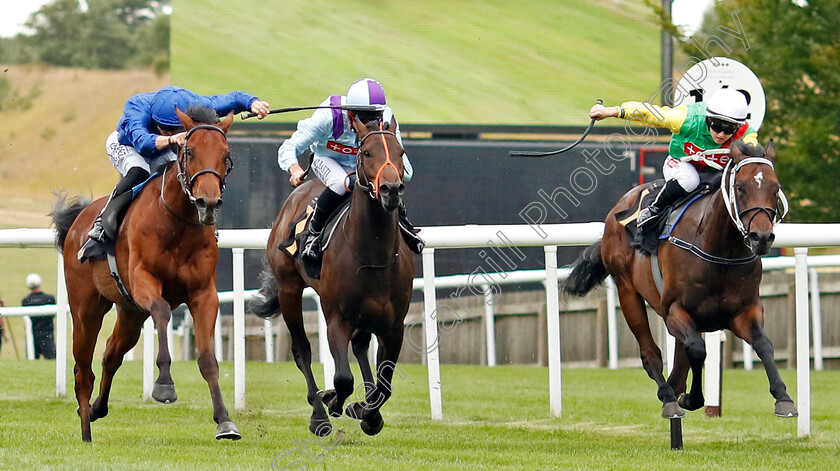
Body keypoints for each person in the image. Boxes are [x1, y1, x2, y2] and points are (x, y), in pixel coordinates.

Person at [78, 85, 271, 261]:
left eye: (174, 129)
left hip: (164, 148)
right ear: (154, 118)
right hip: (128, 145)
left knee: (180, 177)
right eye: (165, 129)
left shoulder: (197, 103)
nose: (169, 133)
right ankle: (100, 227)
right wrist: (171, 140)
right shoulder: (136, 107)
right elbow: (142, 142)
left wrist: (253, 103)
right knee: (138, 172)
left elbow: (235, 98)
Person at [276, 78, 423, 260]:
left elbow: (405, 168)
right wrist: (295, 169)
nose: (371, 122)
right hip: (327, 159)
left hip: (364, 163)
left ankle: (405, 227)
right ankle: (314, 234)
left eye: (375, 116)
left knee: (396, 179)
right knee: (341, 182)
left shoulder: (386, 118)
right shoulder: (328, 117)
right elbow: (289, 146)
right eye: (364, 117)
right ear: (351, 113)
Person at [589, 88, 758, 227]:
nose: (721, 134)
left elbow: (754, 163)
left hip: (716, 173)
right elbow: (649, 113)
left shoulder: (747, 134)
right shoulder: (686, 119)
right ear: (707, 118)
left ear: (739, 126)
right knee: (689, 180)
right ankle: (654, 209)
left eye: (729, 129)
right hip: (681, 164)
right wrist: (613, 111)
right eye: (717, 125)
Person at [21, 274, 57, 360]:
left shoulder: (26, 301)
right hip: (47, 335)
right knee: (52, 361)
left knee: (32, 360)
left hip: (32, 335)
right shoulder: (49, 298)